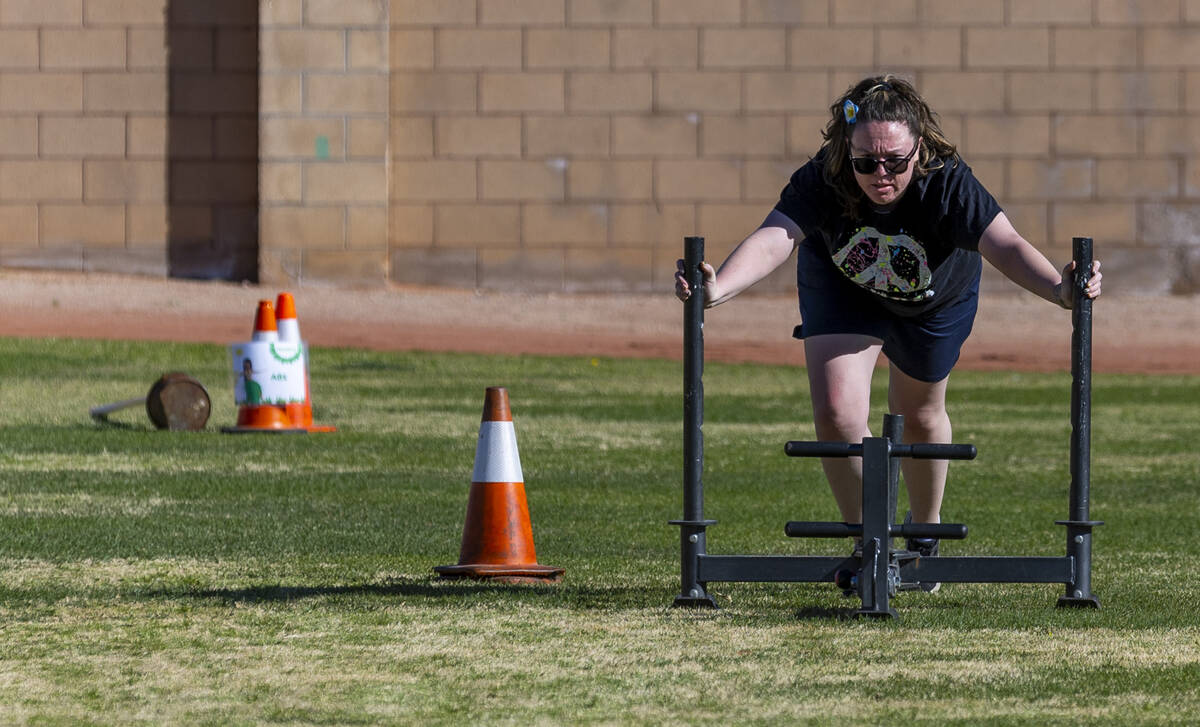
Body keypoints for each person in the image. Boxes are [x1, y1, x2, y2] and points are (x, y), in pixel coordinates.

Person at [673, 75, 1102, 588]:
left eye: (896, 162)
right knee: (836, 411)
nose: (881, 173)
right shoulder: (823, 177)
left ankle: (924, 535)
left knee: (917, 413)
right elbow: (776, 236)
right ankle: (869, 542)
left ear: (918, 148)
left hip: (933, 298)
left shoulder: (948, 181)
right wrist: (717, 287)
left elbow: (1005, 244)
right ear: (845, 150)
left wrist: (1061, 289)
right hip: (843, 288)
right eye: (866, 162)